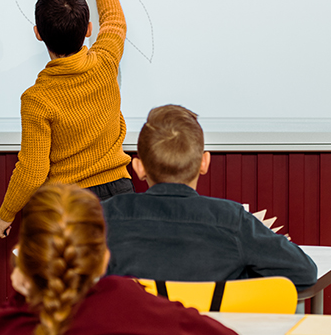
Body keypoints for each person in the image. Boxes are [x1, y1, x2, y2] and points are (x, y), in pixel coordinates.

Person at [0, 183, 249, 335]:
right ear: (104, 256)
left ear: (24, 260)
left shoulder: (0, 333)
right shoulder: (128, 302)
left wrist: (20, 294)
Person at [0, 0, 132, 239]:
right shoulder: (105, 61)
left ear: (38, 34)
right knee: (120, 281)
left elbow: (32, 170)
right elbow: (116, 21)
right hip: (121, 196)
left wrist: (6, 214)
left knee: (75, 282)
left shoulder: (37, 99)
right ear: (89, 29)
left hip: (69, 205)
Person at [103, 105, 318, 289]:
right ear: (204, 163)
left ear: (138, 167)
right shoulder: (231, 221)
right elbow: (304, 272)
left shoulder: (106, 216)